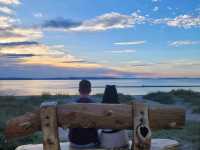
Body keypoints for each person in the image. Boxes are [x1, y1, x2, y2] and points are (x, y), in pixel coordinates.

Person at [69, 80, 99, 148]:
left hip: (74, 142)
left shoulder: (71, 106)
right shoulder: (96, 106)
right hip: (90, 142)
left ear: (79, 90)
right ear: (90, 90)